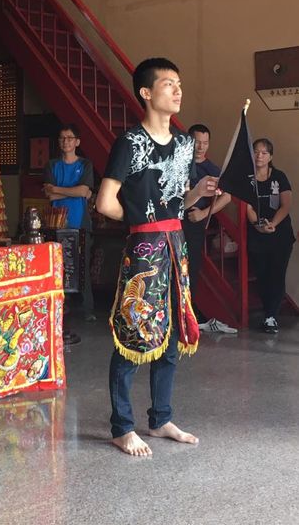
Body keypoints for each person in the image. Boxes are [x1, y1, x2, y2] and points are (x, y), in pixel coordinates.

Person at [96, 57, 219, 457]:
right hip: (145, 250)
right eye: (169, 83)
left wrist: (198, 193)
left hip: (176, 245)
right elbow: (105, 202)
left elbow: (176, 200)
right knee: (135, 334)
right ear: (146, 93)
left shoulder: (184, 145)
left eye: (179, 83)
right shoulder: (129, 143)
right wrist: (141, 221)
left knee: (172, 335)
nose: (177, 90)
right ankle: (121, 427)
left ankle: (160, 418)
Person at [182, 124, 235, 333]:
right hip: (171, 221)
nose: (201, 147)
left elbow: (227, 197)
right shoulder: (179, 162)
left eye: (205, 143)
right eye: (197, 142)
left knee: (191, 269)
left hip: (193, 223)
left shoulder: (211, 170)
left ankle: (188, 316)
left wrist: (203, 214)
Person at [43, 124, 95, 326]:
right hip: (56, 222)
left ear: (77, 142)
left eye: (70, 138)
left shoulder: (85, 164)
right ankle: (60, 308)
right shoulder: (52, 165)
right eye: (62, 138)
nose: (66, 141)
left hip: (80, 222)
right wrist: (76, 191)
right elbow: (50, 195)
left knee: (82, 266)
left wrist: (58, 190)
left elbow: (84, 191)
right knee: (58, 267)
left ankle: (88, 309)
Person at [247, 138, 295, 334]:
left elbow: (286, 204)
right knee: (262, 274)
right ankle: (268, 312)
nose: (259, 156)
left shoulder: (279, 176)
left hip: (280, 234)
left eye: (264, 152)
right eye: (256, 151)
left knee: (277, 274)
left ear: (270, 156)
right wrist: (258, 225)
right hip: (257, 234)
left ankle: (271, 316)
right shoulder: (247, 179)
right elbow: (247, 207)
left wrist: (273, 224)